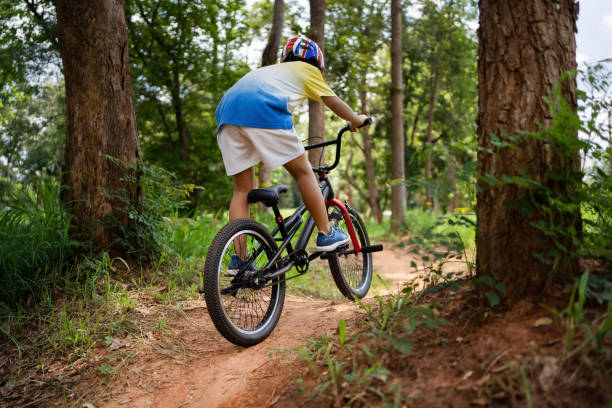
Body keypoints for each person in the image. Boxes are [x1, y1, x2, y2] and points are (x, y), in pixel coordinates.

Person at [215, 36, 369, 270]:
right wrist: (356, 120)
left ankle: (241, 260)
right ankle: (326, 233)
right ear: (317, 62)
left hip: (226, 114)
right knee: (304, 173)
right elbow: (333, 101)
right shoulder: (308, 71)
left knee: (242, 190)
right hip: (262, 107)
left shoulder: (271, 70)